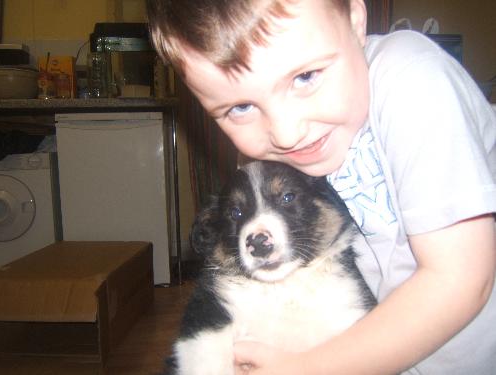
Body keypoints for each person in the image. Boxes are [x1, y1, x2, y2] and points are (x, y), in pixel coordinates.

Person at [146, 0, 496, 373]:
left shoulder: (412, 78)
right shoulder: (314, 133)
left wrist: (313, 367)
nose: (285, 132)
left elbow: (460, 280)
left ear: (356, 19)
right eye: (241, 108)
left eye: (306, 77)